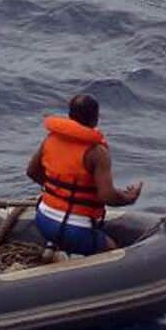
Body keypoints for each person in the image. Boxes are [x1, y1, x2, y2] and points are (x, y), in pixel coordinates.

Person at [26, 94, 142, 256]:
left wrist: (59, 192)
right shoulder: (96, 152)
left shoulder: (51, 139)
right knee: (112, 252)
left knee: (69, 234)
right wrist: (129, 198)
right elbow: (107, 196)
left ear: (70, 115)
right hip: (74, 230)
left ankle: (54, 248)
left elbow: (31, 172)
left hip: (43, 220)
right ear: (95, 119)